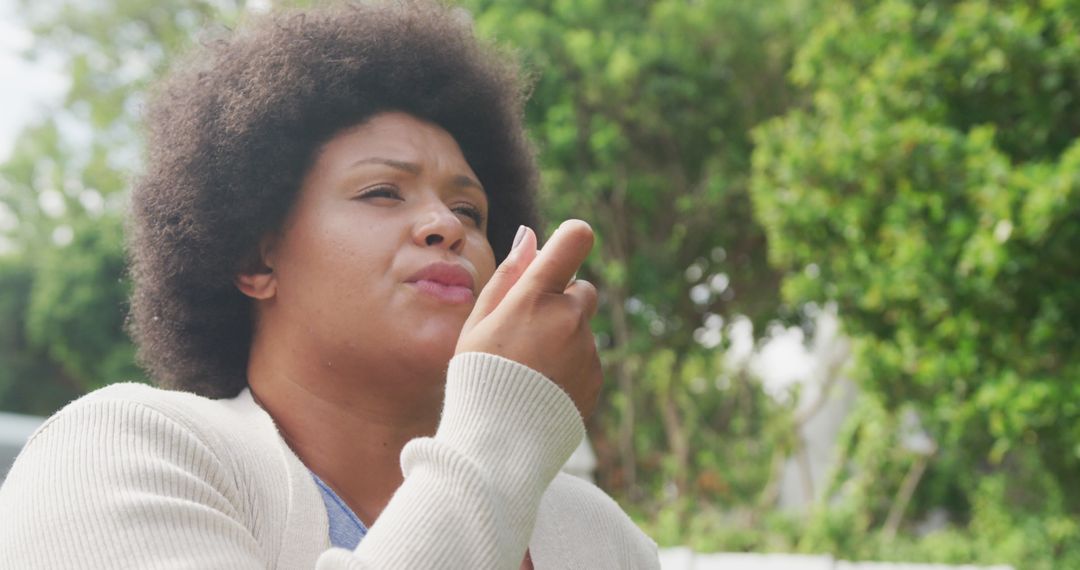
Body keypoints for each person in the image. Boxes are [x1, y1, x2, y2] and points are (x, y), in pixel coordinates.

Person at [0, 2, 660, 568]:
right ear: (256, 262)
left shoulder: (599, 536)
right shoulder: (112, 456)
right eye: (381, 192)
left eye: (471, 212)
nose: (444, 226)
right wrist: (501, 433)